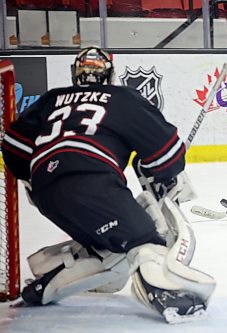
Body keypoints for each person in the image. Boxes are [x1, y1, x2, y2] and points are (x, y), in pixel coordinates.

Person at [0, 46, 215, 323]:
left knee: (111, 248)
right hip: (92, 182)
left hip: (46, 191)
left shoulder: (52, 99)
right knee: (145, 241)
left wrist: (38, 174)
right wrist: (160, 175)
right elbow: (167, 154)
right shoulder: (121, 98)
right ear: (110, 74)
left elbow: (14, 148)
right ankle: (168, 294)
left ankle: (46, 286)